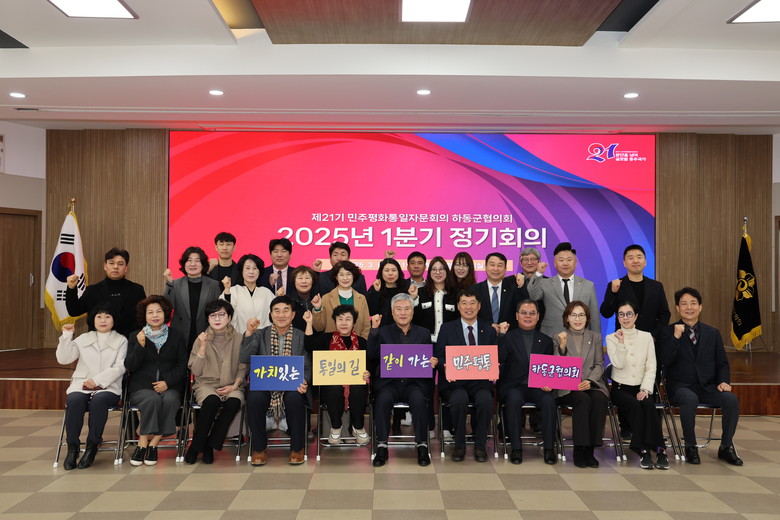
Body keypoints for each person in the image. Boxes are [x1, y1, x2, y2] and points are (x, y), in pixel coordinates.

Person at [660, 287, 742, 466]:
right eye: (684, 304)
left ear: (700, 307)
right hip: (679, 387)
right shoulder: (668, 331)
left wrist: (723, 381)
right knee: (689, 399)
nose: (689, 307)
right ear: (677, 308)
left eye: (693, 303)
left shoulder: (713, 333)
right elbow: (665, 360)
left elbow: (722, 363)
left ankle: (726, 447)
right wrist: (675, 338)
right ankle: (690, 446)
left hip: (707, 387)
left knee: (731, 400)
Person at [240, 296, 311, 466]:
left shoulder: (301, 336)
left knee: (295, 398)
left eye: (286, 310)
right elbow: (244, 357)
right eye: (276, 311)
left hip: (292, 384)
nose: (281, 315)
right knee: (255, 398)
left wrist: (305, 381)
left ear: (293, 314)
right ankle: (259, 448)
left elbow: (307, 365)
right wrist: (248, 333)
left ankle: (297, 448)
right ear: (271, 315)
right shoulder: (260, 334)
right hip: (265, 384)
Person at [369, 293, 437, 467]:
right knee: (382, 400)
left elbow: (427, 359)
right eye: (398, 309)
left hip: (413, 383)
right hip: (389, 383)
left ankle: (422, 445)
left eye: (407, 309)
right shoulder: (383, 332)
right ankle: (382, 446)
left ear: (413, 312)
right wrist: (374, 330)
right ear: (392, 313)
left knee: (419, 400)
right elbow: (371, 354)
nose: (403, 313)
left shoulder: (423, 333)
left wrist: (432, 362)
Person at [56, 303, 127, 470]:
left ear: (114, 320)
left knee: (99, 401)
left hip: (108, 387)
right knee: (74, 400)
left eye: (107, 317)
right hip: (82, 385)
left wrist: (97, 381)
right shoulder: (83, 338)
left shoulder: (121, 340)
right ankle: (72, 448)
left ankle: (92, 446)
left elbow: (120, 367)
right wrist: (67, 335)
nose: (103, 320)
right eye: (99, 316)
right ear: (93, 320)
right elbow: (63, 359)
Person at [124, 295, 188, 466]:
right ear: (144, 316)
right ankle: (143, 441)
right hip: (142, 386)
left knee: (171, 399)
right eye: (150, 312)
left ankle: (153, 443)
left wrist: (167, 382)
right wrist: (140, 346)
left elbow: (182, 365)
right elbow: (130, 365)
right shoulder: (135, 336)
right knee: (151, 399)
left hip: (170, 385)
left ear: (165, 314)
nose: (155, 315)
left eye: (158, 311)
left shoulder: (176, 335)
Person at [435, 289, 496, 462]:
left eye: (472, 303)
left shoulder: (489, 330)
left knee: (485, 400)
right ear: (458, 306)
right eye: (464, 303)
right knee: (459, 399)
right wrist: (444, 366)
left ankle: (480, 446)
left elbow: (494, 356)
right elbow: (439, 356)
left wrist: (495, 366)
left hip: (480, 382)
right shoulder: (447, 329)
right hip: (455, 382)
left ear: (479, 306)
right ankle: (459, 445)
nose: (468, 307)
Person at [606, 301, 668, 469]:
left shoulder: (646, 337)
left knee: (648, 404)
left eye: (629, 314)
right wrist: (621, 343)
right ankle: (643, 450)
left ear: (636, 316)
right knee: (635, 405)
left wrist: (645, 389)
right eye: (621, 314)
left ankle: (660, 449)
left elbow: (652, 366)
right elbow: (618, 364)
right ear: (618, 317)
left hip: (642, 387)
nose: (625, 318)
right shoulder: (611, 338)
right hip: (621, 389)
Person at [184, 299, 247, 464]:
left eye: (221, 314)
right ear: (208, 319)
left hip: (233, 384)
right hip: (206, 384)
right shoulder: (200, 339)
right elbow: (196, 371)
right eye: (213, 315)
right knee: (211, 401)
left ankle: (206, 444)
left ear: (229, 317)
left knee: (234, 402)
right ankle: (200, 445)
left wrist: (235, 385)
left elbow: (243, 367)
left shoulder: (239, 338)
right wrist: (202, 348)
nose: (217, 318)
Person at [497, 300, 557, 465]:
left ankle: (549, 449)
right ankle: (516, 448)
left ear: (538, 316)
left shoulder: (546, 340)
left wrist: (548, 382)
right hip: (514, 386)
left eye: (532, 313)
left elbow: (550, 368)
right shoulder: (508, 338)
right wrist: (501, 336)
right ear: (517, 316)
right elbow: (499, 359)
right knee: (514, 399)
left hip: (538, 386)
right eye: (523, 312)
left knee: (549, 400)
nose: (528, 316)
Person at [304, 305, 370, 445]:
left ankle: (358, 426)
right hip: (331, 386)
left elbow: (369, 365)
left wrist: (367, 372)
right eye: (340, 319)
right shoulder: (326, 338)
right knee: (334, 388)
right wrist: (309, 323)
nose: (344, 323)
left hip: (355, 384)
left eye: (348, 319)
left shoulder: (362, 342)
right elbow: (309, 346)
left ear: (354, 322)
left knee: (358, 387)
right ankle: (336, 427)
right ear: (335, 321)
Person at [553, 301, 608, 468]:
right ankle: (579, 448)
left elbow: (599, 364)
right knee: (583, 400)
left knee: (599, 399)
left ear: (587, 318)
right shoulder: (558, 337)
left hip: (591, 383)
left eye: (581, 315)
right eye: (574, 315)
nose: (578, 319)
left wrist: (590, 381)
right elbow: (556, 367)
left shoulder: (595, 337)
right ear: (567, 318)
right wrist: (562, 347)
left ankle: (590, 450)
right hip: (567, 387)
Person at [65, 247, 146, 337]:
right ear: (105, 266)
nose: (115, 267)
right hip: (97, 342)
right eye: (111, 263)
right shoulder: (92, 290)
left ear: (126, 268)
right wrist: (71, 288)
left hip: (128, 341)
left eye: (120, 264)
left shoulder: (137, 290)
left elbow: (143, 318)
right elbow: (74, 311)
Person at [527, 242, 600, 337]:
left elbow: (594, 317)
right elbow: (533, 296)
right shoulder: (545, 283)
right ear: (555, 263)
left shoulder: (588, 285)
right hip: (552, 336)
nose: (565, 263)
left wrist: (596, 340)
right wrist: (538, 273)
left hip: (581, 337)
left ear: (575, 262)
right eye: (561, 260)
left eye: (569, 260)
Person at [600, 244, 670, 341]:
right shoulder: (616, 285)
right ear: (624, 263)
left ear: (645, 262)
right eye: (631, 258)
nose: (635, 261)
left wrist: (653, 335)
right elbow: (606, 313)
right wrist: (613, 293)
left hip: (650, 340)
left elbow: (665, 315)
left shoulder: (656, 286)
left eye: (639, 257)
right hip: (624, 340)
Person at [163, 246, 222, 350]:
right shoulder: (175, 284)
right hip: (180, 336)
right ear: (184, 264)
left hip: (205, 335)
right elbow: (167, 306)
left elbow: (218, 311)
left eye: (197, 261)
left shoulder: (213, 285)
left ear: (203, 264)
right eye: (189, 260)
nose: (193, 264)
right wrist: (169, 284)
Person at [471, 252, 530, 332]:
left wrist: (522, 287)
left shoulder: (513, 289)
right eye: (492, 265)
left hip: (509, 335)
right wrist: (488, 325)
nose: (496, 269)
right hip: (482, 334)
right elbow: (469, 314)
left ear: (505, 269)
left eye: (500, 265)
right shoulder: (474, 290)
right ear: (485, 267)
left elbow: (525, 308)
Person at [312, 260, 371, 339]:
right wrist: (317, 309)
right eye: (341, 275)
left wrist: (361, 342)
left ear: (353, 276)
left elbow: (366, 326)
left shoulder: (361, 298)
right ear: (336, 277)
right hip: (332, 343)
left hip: (357, 344)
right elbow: (319, 327)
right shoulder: (326, 298)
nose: (345, 278)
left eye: (348, 274)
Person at [220, 253, 274, 334]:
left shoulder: (266, 293)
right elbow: (223, 313)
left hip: (262, 338)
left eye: (255, 268)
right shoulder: (233, 291)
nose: (251, 272)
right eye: (247, 268)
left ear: (259, 272)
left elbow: (273, 316)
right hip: (238, 337)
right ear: (242, 271)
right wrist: (227, 290)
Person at [412, 256, 459, 342]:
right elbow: (414, 319)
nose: (438, 272)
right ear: (429, 272)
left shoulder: (455, 294)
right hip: (425, 342)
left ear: (447, 271)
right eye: (434, 269)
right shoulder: (420, 293)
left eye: (441, 269)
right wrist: (414, 298)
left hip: (450, 342)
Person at [366, 257, 411, 327]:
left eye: (394, 270)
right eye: (386, 270)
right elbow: (371, 312)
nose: (390, 273)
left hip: (402, 328)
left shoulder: (406, 287)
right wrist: (376, 292)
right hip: (381, 329)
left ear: (399, 272)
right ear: (381, 272)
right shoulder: (375, 287)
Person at [289, 265, 319, 332]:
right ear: (294, 281)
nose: (304, 281)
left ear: (312, 281)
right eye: (300, 278)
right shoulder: (288, 301)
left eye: (307, 278)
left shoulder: (319, 299)